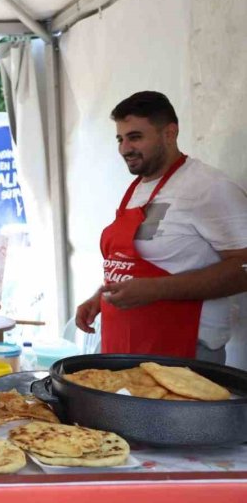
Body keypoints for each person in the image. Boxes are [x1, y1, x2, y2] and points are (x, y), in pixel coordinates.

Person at [75, 91, 247, 363]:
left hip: (183, 355)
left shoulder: (208, 187)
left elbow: (244, 268)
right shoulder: (137, 189)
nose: (124, 149)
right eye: (120, 139)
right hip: (123, 348)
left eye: (135, 137)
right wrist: (102, 295)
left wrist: (156, 290)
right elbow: (138, 262)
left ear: (170, 133)